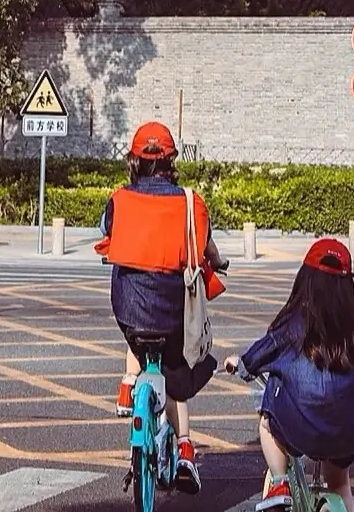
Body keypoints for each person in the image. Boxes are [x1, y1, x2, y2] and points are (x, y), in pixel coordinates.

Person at [95, 121, 226, 495]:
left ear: (134, 161)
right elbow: (205, 248)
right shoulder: (190, 203)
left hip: (129, 309)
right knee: (177, 369)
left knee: (138, 334)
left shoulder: (119, 200)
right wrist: (219, 261)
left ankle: (128, 385)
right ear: (171, 160)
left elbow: (108, 233)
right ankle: (185, 447)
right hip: (174, 313)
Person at [223, 238, 354, 512]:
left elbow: (257, 357)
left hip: (297, 428)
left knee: (267, 422)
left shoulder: (291, 326)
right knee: (340, 483)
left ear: (304, 281)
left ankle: (280, 483)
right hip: (345, 431)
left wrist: (241, 364)